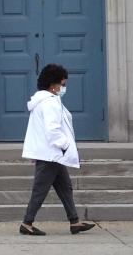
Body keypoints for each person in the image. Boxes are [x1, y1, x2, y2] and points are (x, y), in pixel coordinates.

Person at [19, 63, 96, 236]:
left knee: (65, 187)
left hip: (51, 153)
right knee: (40, 190)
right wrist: (66, 145)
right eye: (63, 84)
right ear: (53, 84)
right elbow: (52, 129)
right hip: (52, 154)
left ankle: (75, 222)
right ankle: (27, 222)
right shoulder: (50, 103)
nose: (64, 87)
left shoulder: (42, 102)